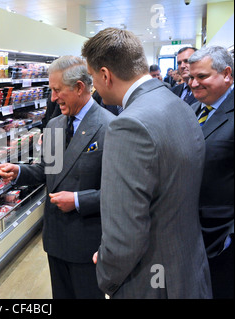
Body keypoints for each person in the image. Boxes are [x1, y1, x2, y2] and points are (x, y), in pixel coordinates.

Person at [82, 27, 212, 298]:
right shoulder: (179, 104)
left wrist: (107, 276)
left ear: (105, 75)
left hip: (150, 282)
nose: (95, 86)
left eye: (93, 78)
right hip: (188, 269)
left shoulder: (128, 125)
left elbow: (125, 232)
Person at [0, 55, 115, 299]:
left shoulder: (110, 127)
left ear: (79, 88)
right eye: (50, 90)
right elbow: (50, 169)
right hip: (56, 238)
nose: (53, 98)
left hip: (88, 242)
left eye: (57, 90)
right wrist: (19, 172)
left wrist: (78, 200)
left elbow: (118, 193)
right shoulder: (56, 124)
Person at [188, 45, 234, 299]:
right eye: (191, 78)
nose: (194, 84)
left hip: (223, 240)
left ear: (226, 73)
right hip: (195, 237)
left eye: (202, 77)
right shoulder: (195, 111)